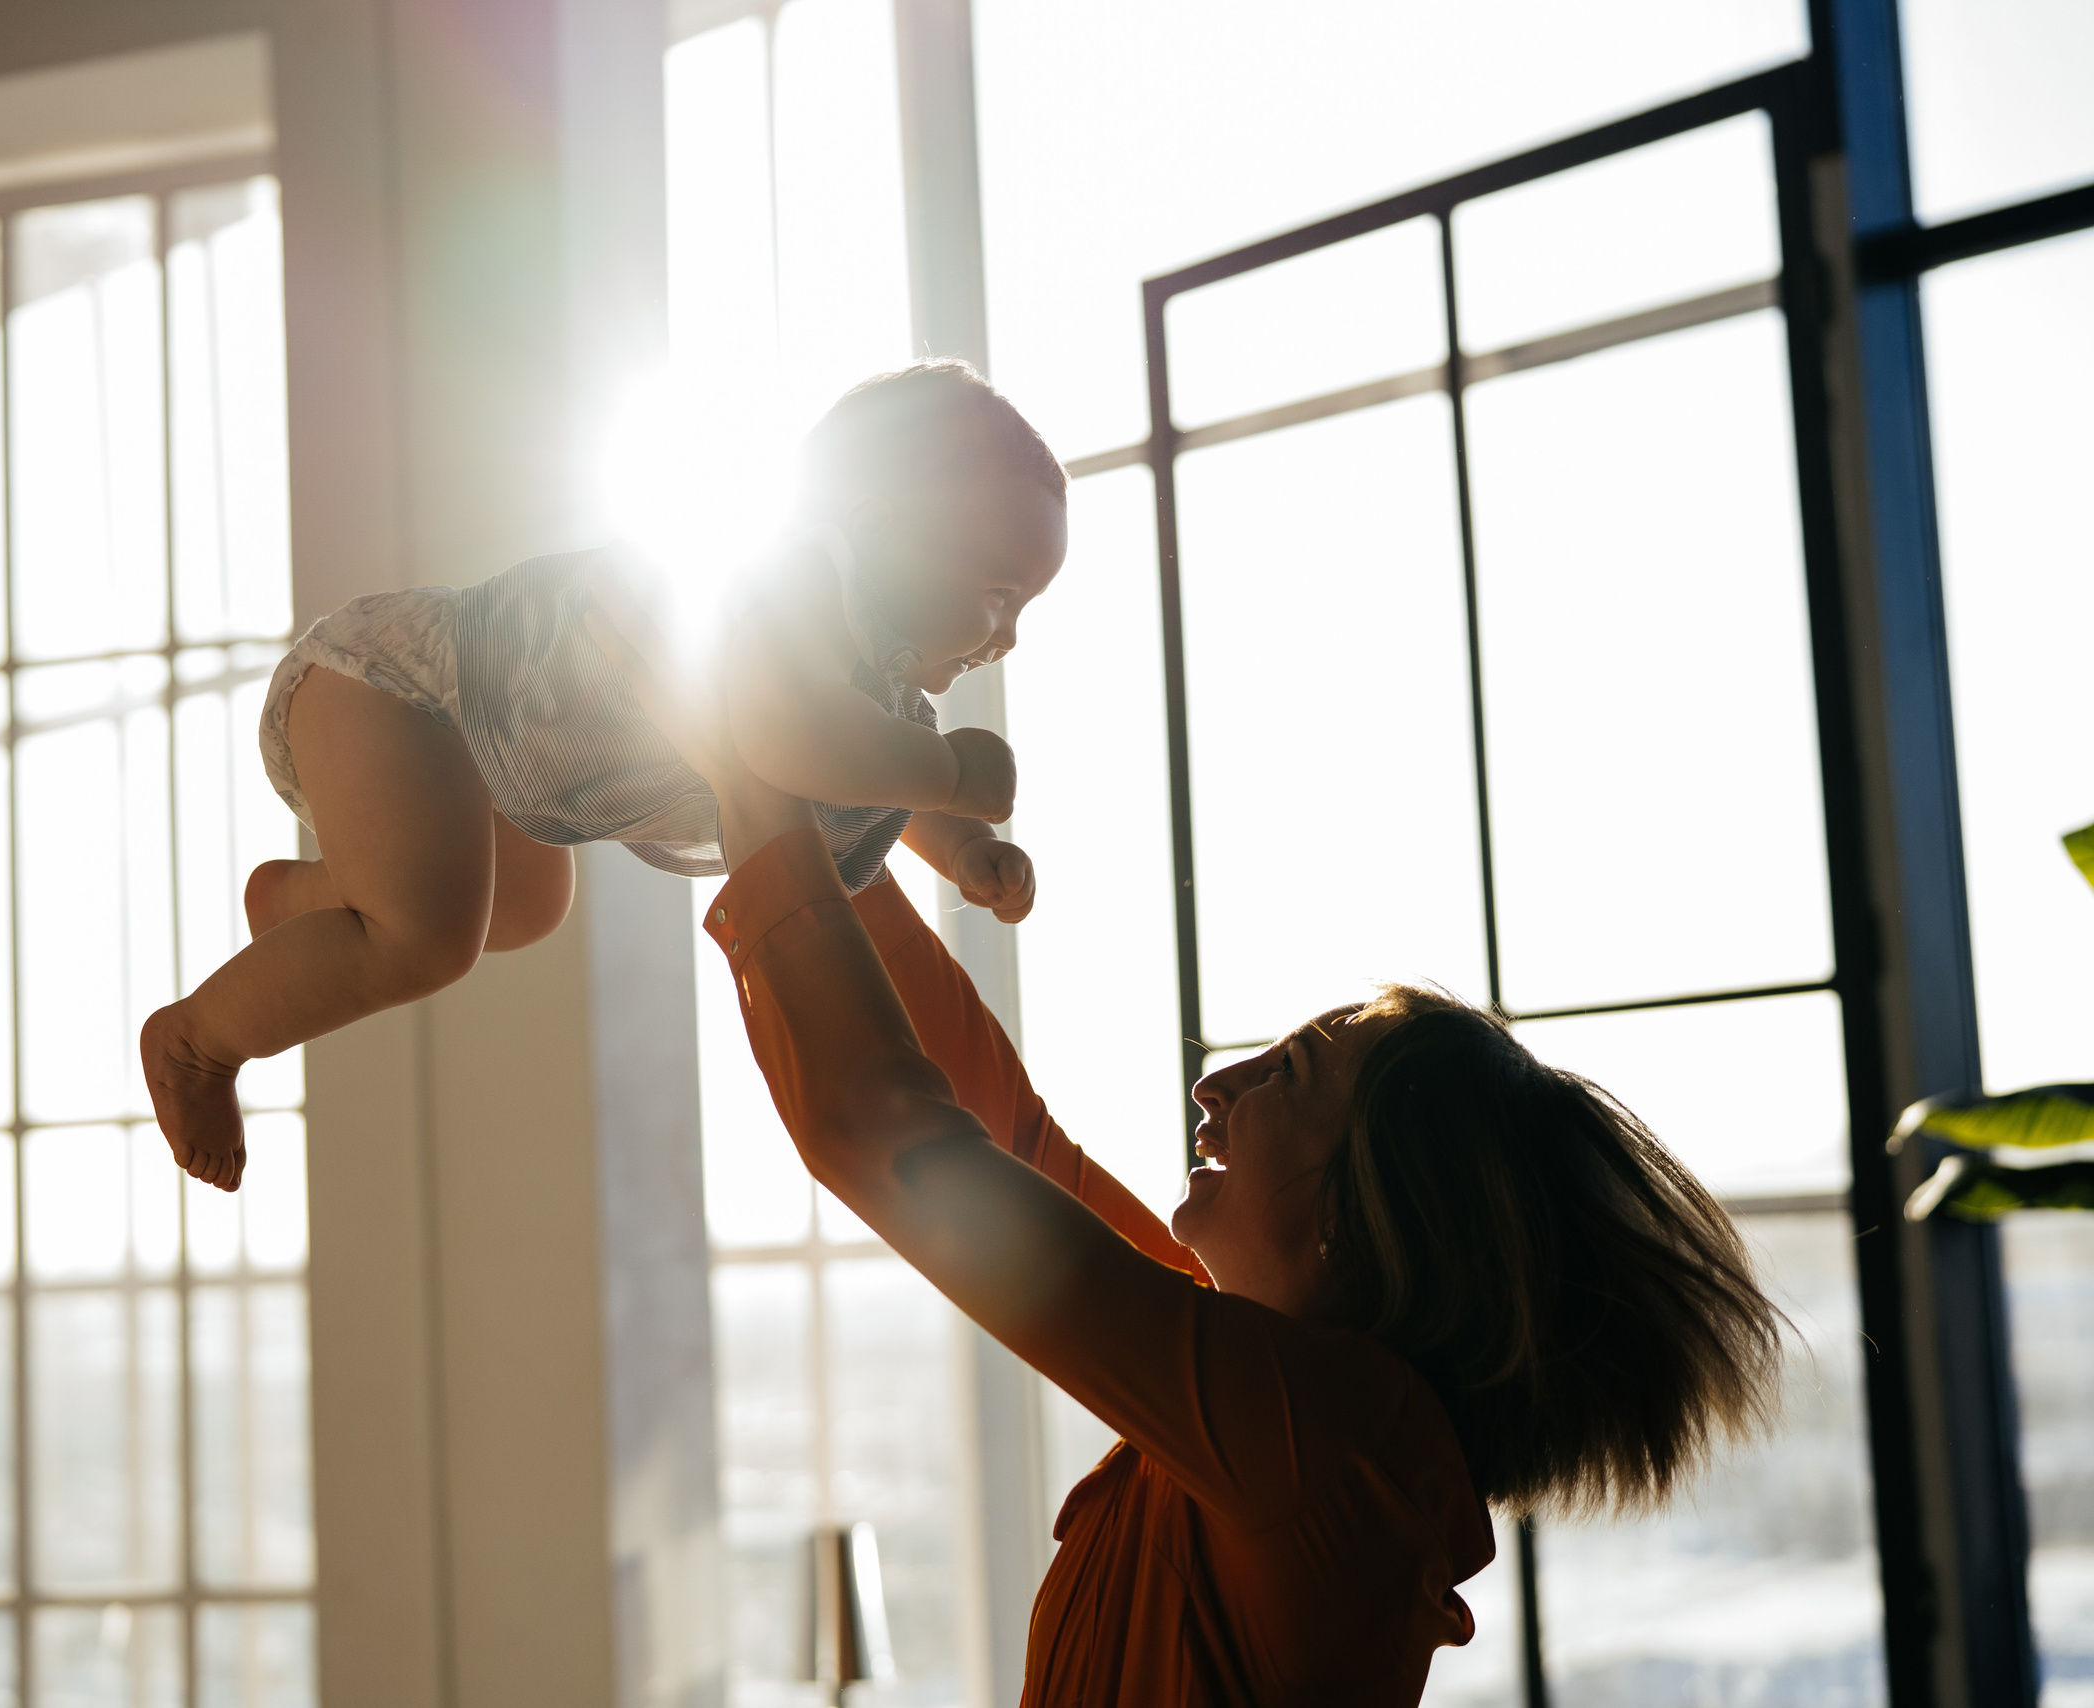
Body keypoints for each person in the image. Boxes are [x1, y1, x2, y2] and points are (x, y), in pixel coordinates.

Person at [585, 588, 1786, 1706]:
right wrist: (817, 832)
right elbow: (1006, 1135)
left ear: (1370, 1212)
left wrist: (749, 785)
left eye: (1291, 1076)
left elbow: (902, 1147)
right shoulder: (1286, 1396)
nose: (1217, 1084)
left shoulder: (1331, 1442)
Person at [143, 360, 1066, 1190]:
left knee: (526, 907)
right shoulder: (792, 590)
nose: (1006, 637)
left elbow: (867, 778)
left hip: (496, 760)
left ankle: (321, 900)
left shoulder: (873, 696)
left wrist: (964, 849)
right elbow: (805, 740)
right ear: (878, 532)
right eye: (996, 595)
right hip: (405, 686)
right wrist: (952, 772)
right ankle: (195, 1043)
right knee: (428, 940)